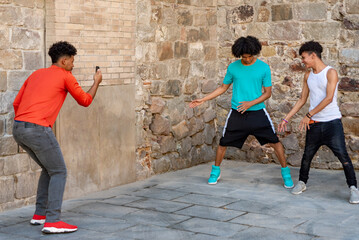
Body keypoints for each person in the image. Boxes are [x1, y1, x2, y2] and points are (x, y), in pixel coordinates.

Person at [12, 41, 103, 233]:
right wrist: (96, 83)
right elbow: (85, 101)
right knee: (59, 171)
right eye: (71, 61)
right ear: (63, 61)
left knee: (49, 169)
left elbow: (16, 103)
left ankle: (39, 215)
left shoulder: (35, 74)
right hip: (38, 128)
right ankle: (53, 220)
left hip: (19, 127)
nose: (73, 64)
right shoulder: (65, 75)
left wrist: (26, 124)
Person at [189, 36, 294, 188]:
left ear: (254, 53)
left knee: (275, 142)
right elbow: (223, 88)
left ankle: (286, 174)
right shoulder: (233, 67)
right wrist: (203, 99)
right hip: (237, 113)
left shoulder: (263, 68)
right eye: (243, 57)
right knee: (223, 143)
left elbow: (267, 93)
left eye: (249, 56)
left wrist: (250, 103)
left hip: (258, 113)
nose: (246, 59)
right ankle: (215, 172)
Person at [278, 41, 359, 204]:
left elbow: (329, 98)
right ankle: (302, 182)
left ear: (313, 55)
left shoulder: (331, 73)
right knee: (307, 156)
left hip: (332, 123)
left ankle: (353, 188)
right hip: (314, 124)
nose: (303, 61)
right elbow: (302, 99)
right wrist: (286, 118)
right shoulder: (308, 75)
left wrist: (309, 114)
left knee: (343, 156)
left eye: (304, 57)